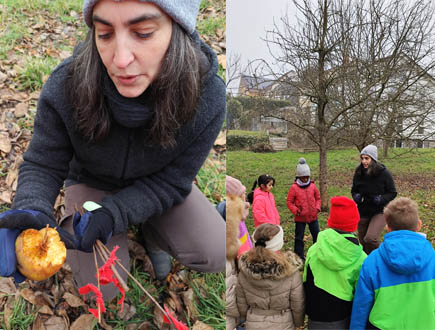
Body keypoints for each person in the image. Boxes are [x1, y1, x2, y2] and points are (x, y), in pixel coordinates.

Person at [0, 0, 226, 300]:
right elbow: (43, 162)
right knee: (102, 289)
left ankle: (153, 235)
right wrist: (31, 207)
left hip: (156, 183)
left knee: (216, 250)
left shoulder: (208, 96)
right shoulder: (66, 85)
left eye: (143, 32)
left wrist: (116, 213)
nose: (120, 60)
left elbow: (173, 181)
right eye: (104, 33)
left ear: (178, 27)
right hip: (91, 183)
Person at [350, 197, 435, 330]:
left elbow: (361, 305)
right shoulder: (433, 259)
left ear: (387, 227)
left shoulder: (372, 261)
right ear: (418, 224)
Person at [304, 196, 366, 329]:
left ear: (331, 221)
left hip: (316, 316)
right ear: (354, 223)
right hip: (344, 316)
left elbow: (306, 280)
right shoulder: (361, 257)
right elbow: (361, 294)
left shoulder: (314, 250)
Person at [236, 223, 305, 330]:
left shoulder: (244, 270)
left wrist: (246, 317)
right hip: (284, 324)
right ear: (279, 243)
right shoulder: (290, 271)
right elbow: (297, 303)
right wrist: (298, 323)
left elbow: (241, 302)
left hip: (254, 323)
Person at [351, 145, 397, 254]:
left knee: (370, 239)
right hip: (363, 211)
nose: (363, 161)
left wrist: (381, 199)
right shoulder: (359, 173)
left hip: (379, 211)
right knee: (363, 242)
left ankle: (386, 254)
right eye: (362, 158)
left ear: (373, 159)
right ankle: (369, 262)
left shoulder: (384, 174)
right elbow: (354, 190)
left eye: (367, 158)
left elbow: (393, 192)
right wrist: (356, 196)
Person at [286, 157, 321, 260]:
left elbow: (318, 198)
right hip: (300, 218)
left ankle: (317, 253)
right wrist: (295, 210)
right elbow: (289, 202)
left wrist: (317, 208)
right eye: (303, 177)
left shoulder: (313, 186)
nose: (305, 179)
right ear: (298, 177)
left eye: (307, 177)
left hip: (313, 216)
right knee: (299, 238)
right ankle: (299, 256)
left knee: (317, 236)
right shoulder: (294, 188)